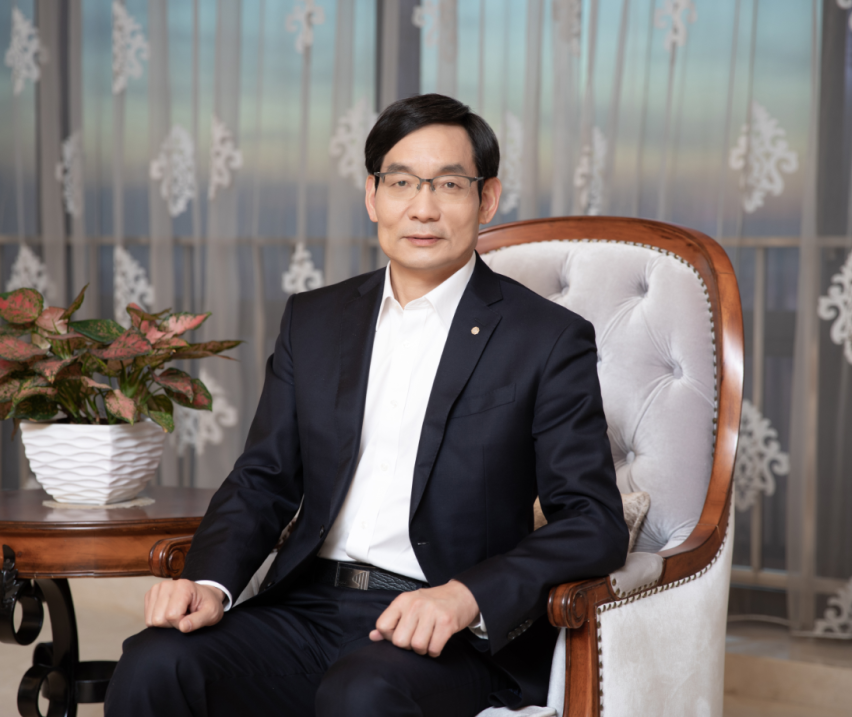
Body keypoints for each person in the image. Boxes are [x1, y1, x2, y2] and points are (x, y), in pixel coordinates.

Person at [104, 93, 628, 717]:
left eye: (449, 184)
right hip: (306, 606)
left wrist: (466, 596)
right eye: (401, 182)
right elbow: (263, 478)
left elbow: (593, 520)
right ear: (372, 196)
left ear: (487, 199)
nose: (423, 208)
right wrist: (209, 582)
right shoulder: (314, 320)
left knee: (362, 694)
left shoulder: (546, 338)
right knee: (155, 663)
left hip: (442, 630)